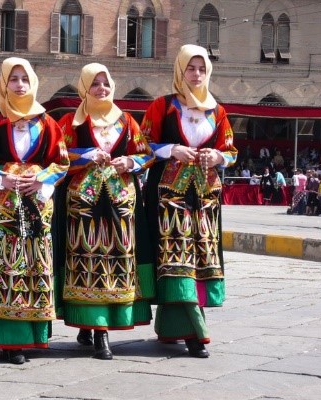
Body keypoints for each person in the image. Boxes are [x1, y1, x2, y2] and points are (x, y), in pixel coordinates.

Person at [0, 57, 70, 364]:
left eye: (25, 79)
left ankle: (26, 338)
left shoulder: (46, 122)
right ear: (4, 83)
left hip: (34, 209)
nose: (20, 84)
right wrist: (0, 178)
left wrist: (42, 181)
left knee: (32, 269)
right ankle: (1, 338)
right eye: (14, 79)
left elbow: (61, 162)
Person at [140, 45, 237, 358]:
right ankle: (196, 332)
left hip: (206, 200)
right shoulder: (162, 107)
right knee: (176, 260)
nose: (196, 75)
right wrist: (171, 150)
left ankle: (170, 326)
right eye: (190, 69)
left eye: (201, 69)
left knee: (200, 259)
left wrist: (217, 155)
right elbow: (141, 146)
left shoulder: (217, 111)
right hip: (170, 198)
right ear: (179, 71)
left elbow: (231, 151)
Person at [53, 63, 155, 359]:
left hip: (121, 205)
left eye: (105, 84)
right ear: (85, 88)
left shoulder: (126, 122)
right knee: (87, 259)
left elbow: (145, 153)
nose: (101, 89)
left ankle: (99, 325)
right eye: (95, 84)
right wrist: (85, 156)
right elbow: (57, 157)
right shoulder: (70, 123)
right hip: (83, 208)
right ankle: (98, 331)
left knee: (117, 259)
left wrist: (130, 164)